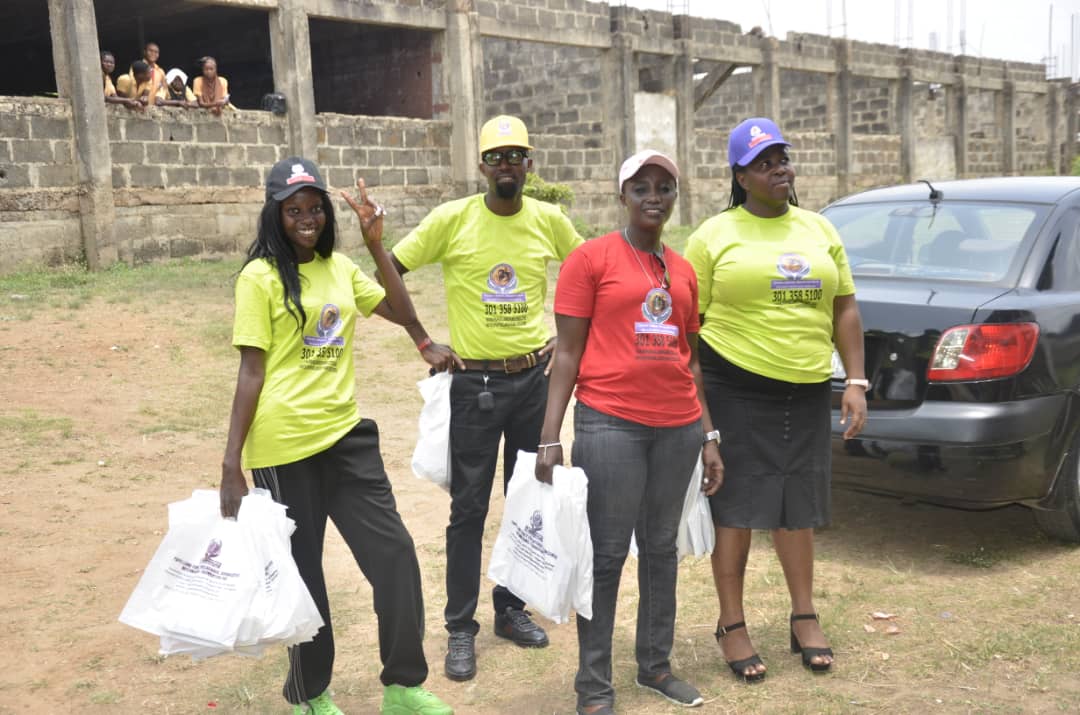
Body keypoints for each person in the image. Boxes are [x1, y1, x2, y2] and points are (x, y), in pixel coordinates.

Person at [219, 157, 454, 715]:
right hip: (283, 447)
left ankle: (403, 686)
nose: (307, 218)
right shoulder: (259, 278)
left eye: (315, 208)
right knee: (304, 576)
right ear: (275, 215)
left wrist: (377, 246)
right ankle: (309, 695)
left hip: (346, 436)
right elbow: (251, 370)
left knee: (395, 555)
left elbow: (399, 310)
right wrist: (231, 463)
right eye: (293, 210)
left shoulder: (342, 268)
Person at [385, 115, 583, 682]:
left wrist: (567, 336)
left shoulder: (548, 220)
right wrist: (421, 338)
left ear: (529, 163)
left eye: (515, 156)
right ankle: (459, 628)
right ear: (481, 166)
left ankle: (510, 608)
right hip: (475, 387)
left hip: (534, 380)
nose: (506, 166)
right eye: (496, 157)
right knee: (468, 509)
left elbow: (592, 272)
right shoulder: (452, 220)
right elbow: (389, 270)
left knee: (527, 499)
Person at [534, 150, 723, 715]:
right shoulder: (589, 260)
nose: (654, 197)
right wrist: (550, 435)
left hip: (678, 428)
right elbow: (567, 353)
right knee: (608, 554)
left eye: (664, 187)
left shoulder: (682, 271)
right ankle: (593, 686)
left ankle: (655, 666)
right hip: (610, 423)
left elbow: (690, 360)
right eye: (641, 187)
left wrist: (709, 435)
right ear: (623, 196)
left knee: (662, 548)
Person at [684, 117, 867, 683]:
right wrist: (699, 411)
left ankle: (803, 615)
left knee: (797, 505)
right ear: (740, 177)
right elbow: (691, 326)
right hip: (734, 384)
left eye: (782, 159)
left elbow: (844, 307)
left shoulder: (818, 228)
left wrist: (856, 381)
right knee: (735, 508)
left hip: (806, 387)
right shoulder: (713, 236)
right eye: (763, 163)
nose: (778, 170)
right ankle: (731, 623)